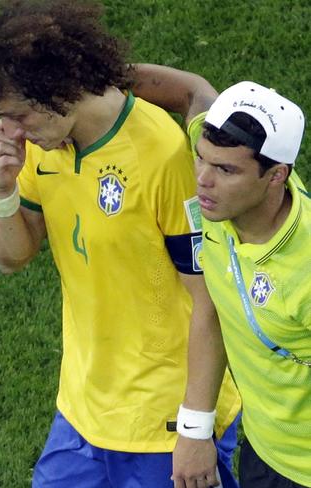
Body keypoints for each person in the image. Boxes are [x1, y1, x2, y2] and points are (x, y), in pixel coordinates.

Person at [0, 2, 241, 487]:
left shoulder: (162, 155)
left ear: (58, 90)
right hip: (82, 414)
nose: (11, 131)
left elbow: (209, 301)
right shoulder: (40, 148)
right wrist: (1, 189)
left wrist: (195, 428)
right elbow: (10, 257)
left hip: (163, 425)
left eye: (18, 114)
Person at [134, 66, 311, 488]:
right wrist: (86, 74)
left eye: (226, 170)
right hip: (264, 454)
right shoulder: (225, 203)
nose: (203, 180)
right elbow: (193, 92)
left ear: (276, 176)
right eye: (200, 156)